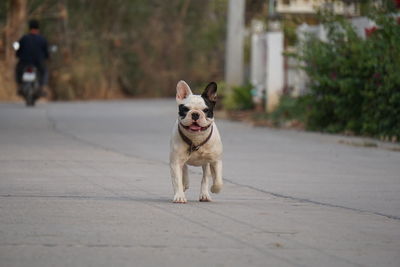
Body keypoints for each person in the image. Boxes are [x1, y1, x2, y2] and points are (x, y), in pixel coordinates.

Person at [15, 19, 49, 95]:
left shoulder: (24, 38)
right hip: (38, 63)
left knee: (17, 71)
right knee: (44, 71)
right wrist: (47, 57)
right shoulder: (42, 39)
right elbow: (46, 52)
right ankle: (42, 87)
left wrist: (17, 54)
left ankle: (19, 86)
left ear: (29, 28)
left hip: (24, 62)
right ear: (38, 29)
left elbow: (18, 49)